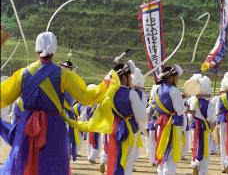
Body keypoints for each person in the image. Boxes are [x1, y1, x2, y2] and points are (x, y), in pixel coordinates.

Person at [0, 31, 112, 175]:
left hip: (27, 128)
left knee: (22, 164)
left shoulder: (22, 73)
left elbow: (4, 96)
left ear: (36, 49)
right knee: (54, 167)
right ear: (54, 50)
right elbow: (87, 96)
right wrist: (110, 80)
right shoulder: (64, 74)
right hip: (54, 129)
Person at [106, 60, 148, 175]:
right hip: (129, 128)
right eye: (129, 75)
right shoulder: (131, 93)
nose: (130, 78)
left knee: (116, 156)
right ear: (124, 77)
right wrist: (143, 127)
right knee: (127, 159)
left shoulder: (110, 92)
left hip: (114, 126)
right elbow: (141, 115)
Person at [154, 65, 186, 175]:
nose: (178, 79)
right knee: (171, 151)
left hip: (162, 122)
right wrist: (184, 105)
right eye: (177, 76)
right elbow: (179, 110)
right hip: (172, 123)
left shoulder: (158, 89)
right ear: (171, 77)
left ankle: (161, 172)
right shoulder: (173, 90)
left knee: (162, 148)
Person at [188, 74, 215, 175]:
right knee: (204, 148)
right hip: (204, 127)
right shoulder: (210, 104)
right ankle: (202, 171)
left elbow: (190, 117)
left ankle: (195, 164)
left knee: (195, 146)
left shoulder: (193, 101)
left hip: (193, 127)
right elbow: (211, 118)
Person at [146, 85, 159, 166]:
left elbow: (147, 117)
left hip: (151, 126)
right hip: (159, 125)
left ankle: (152, 160)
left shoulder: (151, 106)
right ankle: (158, 159)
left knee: (152, 144)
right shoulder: (161, 105)